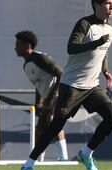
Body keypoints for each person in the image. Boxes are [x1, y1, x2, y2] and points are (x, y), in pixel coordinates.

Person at [20, 0, 112, 170]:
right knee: (55, 126)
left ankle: (86, 153)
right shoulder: (84, 24)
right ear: (96, 4)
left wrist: (105, 70)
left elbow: (105, 51)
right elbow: (71, 48)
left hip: (92, 86)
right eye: (108, 3)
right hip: (71, 85)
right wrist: (95, 42)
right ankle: (28, 165)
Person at [15, 30, 68, 161]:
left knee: (52, 123)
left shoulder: (40, 58)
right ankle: (39, 159)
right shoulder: (26, 65)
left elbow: (61, 74)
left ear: (27, 46)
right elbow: (38, 86)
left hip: (58, 96)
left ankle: (63, 157)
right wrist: (38, 102)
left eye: (18, 44)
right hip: (47, 100)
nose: (15, 48)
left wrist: (51, 99)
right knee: (40, 130)